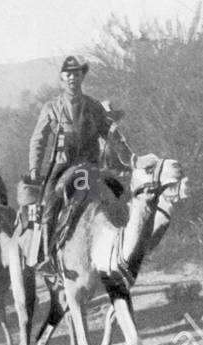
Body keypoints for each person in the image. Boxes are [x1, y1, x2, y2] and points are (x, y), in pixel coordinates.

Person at [26, 56, 132, 267]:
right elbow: (38, 139)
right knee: (49, 203)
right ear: (61, 78)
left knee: (122, 194)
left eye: (76, 74)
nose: (72, 78)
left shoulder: (93, 106)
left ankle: (128, 248)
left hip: (92, 166)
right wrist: (34, 168)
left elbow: (108, 134)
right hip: (62, 165)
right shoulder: (51, 107)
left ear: (82, 76)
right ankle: (46, 255)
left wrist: (127, 156)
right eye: (68, 74)